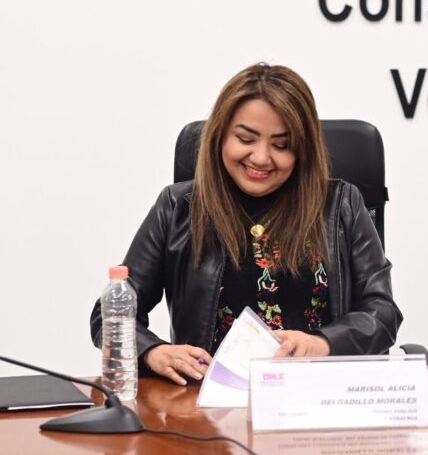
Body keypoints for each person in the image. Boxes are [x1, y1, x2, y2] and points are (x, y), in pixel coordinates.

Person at [90, 63, 402, 385]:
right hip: (205, 400)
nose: (261, 158)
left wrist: (322, 344)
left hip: (317, 392)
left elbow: (382, 313)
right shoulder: (178, 207)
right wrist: (154, 352)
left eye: (281, 145)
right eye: (245, 138)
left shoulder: (342, 205)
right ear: (221, 135)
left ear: (302, 150)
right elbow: (109, 315)